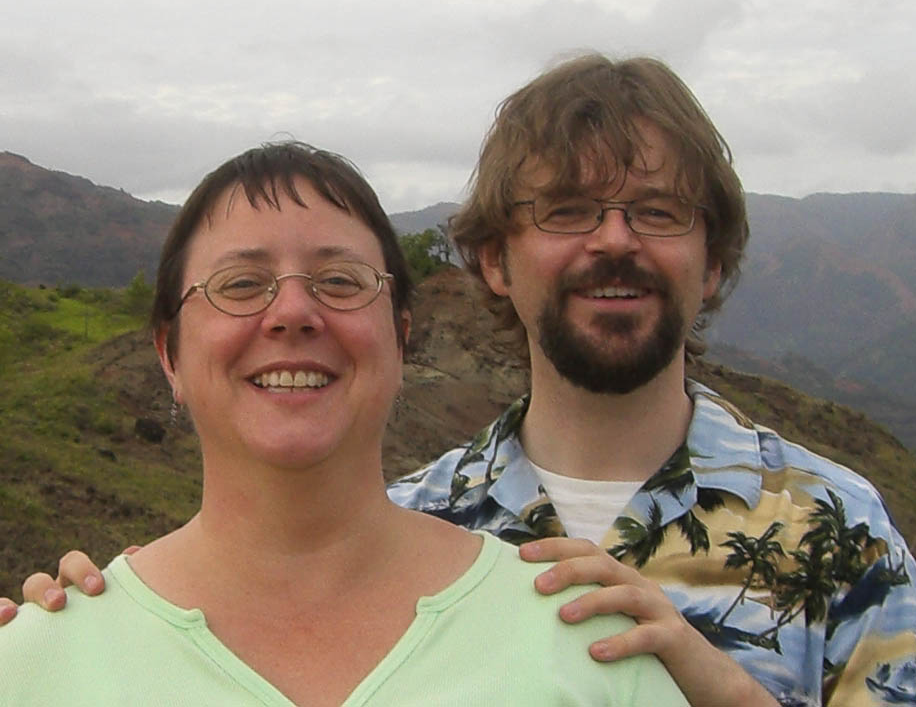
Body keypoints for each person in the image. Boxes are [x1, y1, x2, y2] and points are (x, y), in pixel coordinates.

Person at [5, 54, 916, 706]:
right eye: (568, 210)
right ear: (493, 259)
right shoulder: (418, 520)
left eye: (657, 211)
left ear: (714, 261)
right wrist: (85, 638)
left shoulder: (836, 527)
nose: (614, 240)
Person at [0, 142, 689, 705]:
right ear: (169, 354)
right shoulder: (37, 662)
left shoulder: (585, 641)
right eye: (241, 284)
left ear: (401, 338)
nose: (293, 313)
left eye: (340, 281)